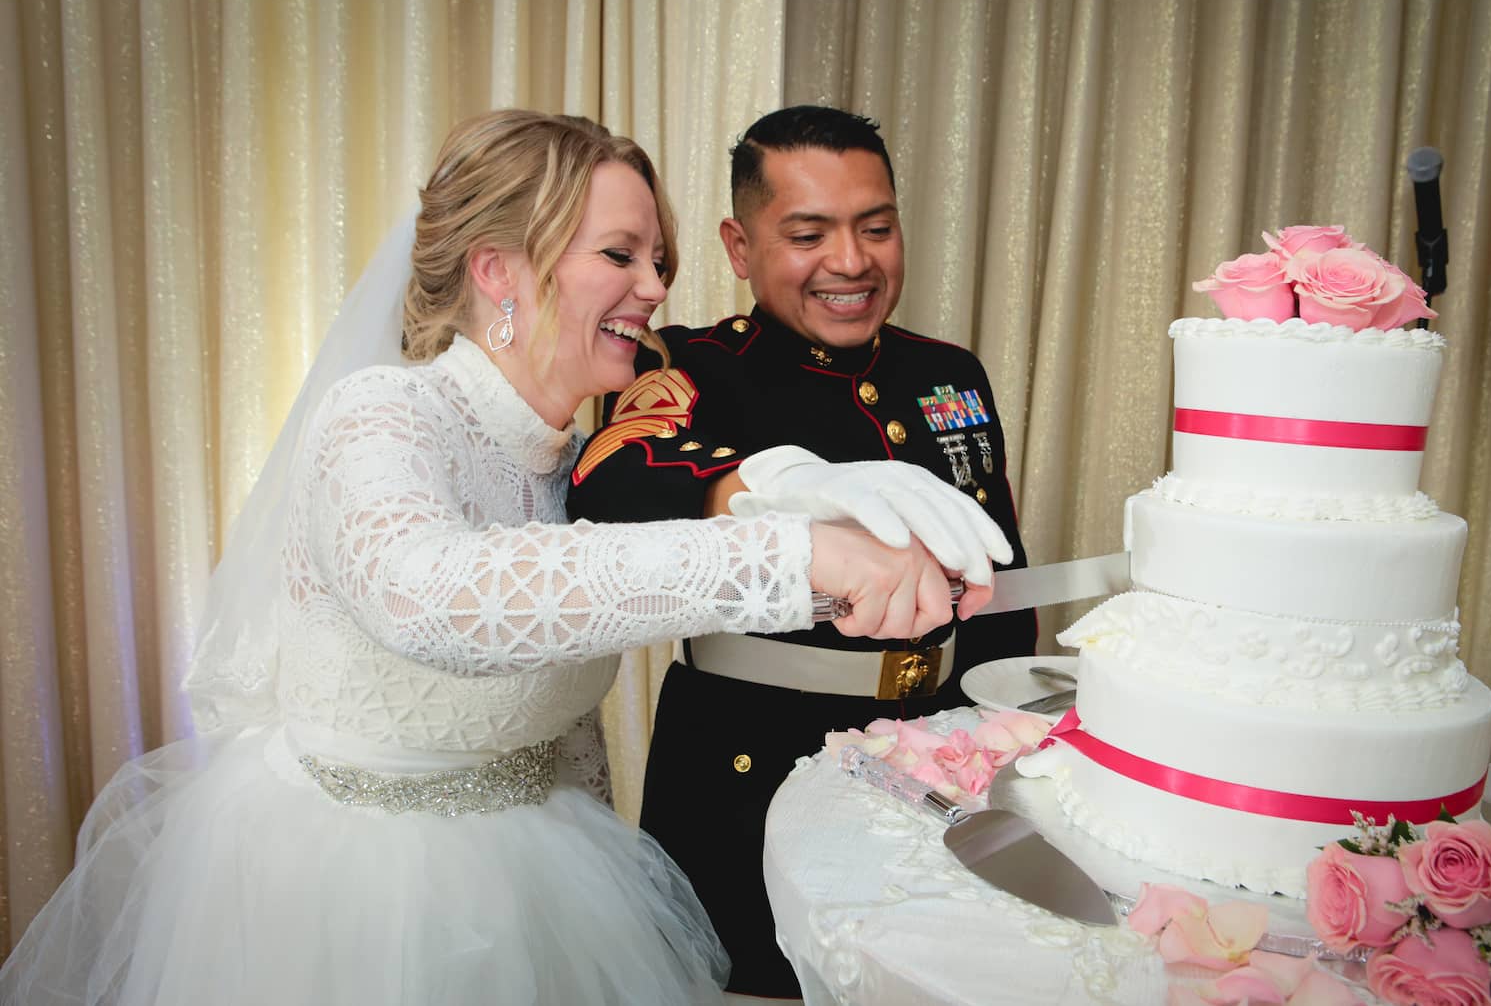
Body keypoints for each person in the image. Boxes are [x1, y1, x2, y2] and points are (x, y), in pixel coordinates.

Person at [0, 110, 1008, 1006]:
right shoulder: (382, 414)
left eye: (657, 258)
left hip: (540, 886)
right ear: (499, 271)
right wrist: (792, 550)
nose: (655, 288)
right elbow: (433, 598)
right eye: (621, 253)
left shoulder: (570, 459)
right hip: (349, 902)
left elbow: (561, 727)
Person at [566, 104, 1038, 998]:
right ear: (740, 247)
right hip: (742, 772)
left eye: (876, 228)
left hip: (937, 768)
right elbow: (609, 478)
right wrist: (777, 488)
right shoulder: (689, 362)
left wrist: (1008, 759)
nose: (851, 262)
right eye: (809, 233)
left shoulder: (949, 376)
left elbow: (998, 590)